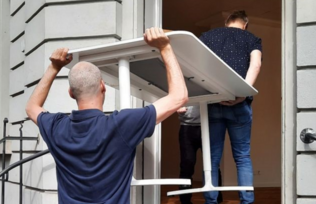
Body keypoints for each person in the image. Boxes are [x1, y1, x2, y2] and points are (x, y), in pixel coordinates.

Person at [25, 27, 188, 204]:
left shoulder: (56, 127)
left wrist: (53, 67)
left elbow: (32, 107)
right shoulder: (122, 125)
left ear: (71, 93)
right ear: (103, 86)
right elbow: (179, 96)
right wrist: (165, 47)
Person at [200, 10, 262, 204]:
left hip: (213, 102)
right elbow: (256, 65)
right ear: (245, 24)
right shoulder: (251, 38)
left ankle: (211, 201)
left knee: (212, 158)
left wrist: (212, 93)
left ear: (227, 23)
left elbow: (197, 67)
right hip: (239, 104)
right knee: (242, 156)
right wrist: (243, 93)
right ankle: (247, 201)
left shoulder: (208, 37)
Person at [177, 105, 223, 204]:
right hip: (187, 126)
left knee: (212, 164)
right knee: (187, 165)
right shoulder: (183, 88)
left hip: (210, 125)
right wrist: (178, 107)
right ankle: (185, 200)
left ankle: (217, 199)